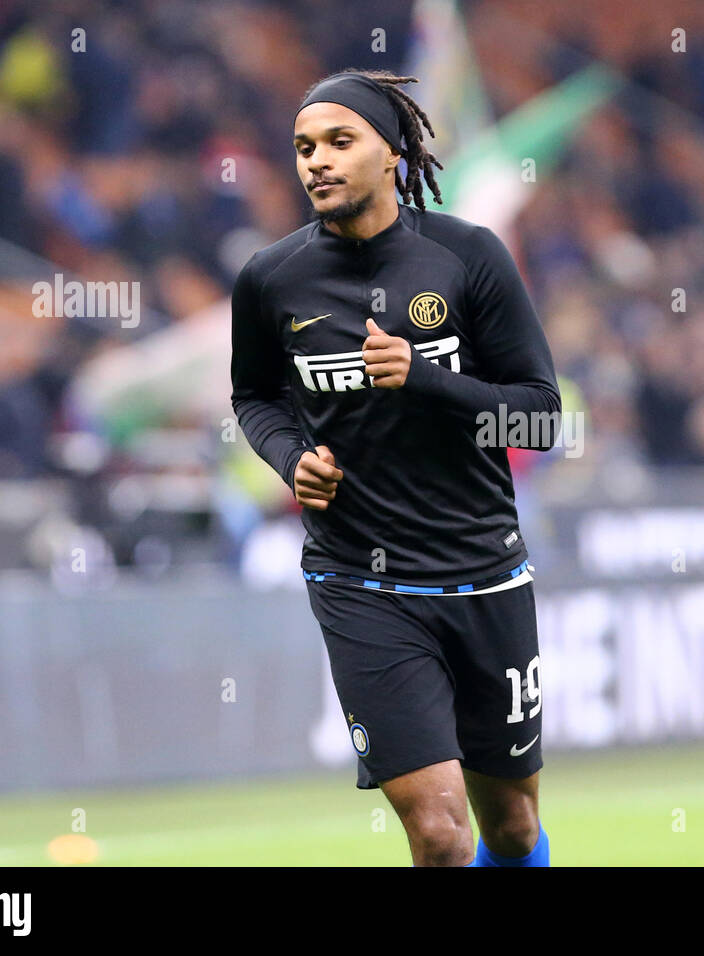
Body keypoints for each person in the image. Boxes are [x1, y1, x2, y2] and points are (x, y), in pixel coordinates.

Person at [230, 70, 560, 866]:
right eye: (305, 147)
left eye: (341, 142)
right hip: (362, 584)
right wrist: (289, 458)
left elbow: (540, 416)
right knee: (442, 833)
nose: (318, 161)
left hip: (484, 575)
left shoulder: (468, 258)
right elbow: (254, 398)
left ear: (395, 154)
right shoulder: (272, 281)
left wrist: (427, 379)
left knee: (510, 826)